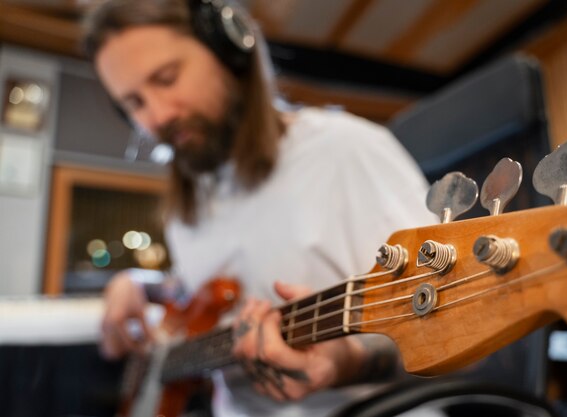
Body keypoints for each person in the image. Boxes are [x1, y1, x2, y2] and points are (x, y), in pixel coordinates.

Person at [82, 0, 437, 415]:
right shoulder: (187, 207)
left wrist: (347, 361)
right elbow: (196, 291)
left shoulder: (346, 151)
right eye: (134, 104)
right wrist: (137, 284)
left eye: (167, 78)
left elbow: (445, 317)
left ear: (229, 50)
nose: (157, 115)